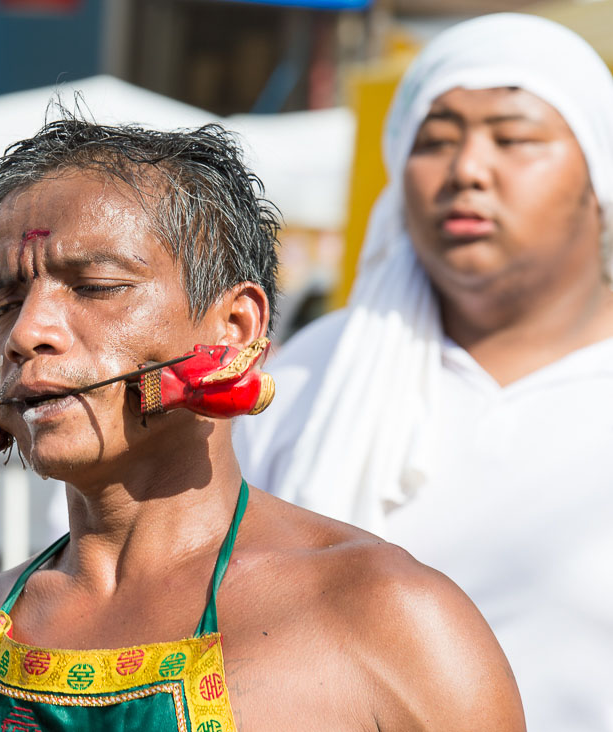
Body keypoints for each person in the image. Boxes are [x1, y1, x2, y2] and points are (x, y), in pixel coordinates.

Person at [0, 118, 525, 731]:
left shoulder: (389, 622)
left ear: (235, 328)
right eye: (4, 303)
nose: (27, 334)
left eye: (96, 285)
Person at [232, 13, 613, 731]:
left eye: (514, 137)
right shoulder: (303, 383)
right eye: (434, 142)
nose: (467, 168)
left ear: (599, 173)